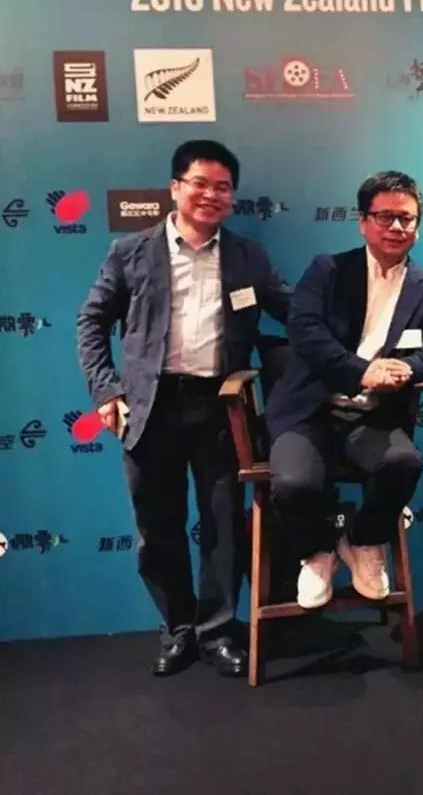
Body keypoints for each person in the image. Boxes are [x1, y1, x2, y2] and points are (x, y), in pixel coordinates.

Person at [76, 140, 291, 677]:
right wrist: (106, 391)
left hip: (221, 408)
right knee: (157, 526)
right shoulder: (130, 251)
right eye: (200, 183)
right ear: (175, 188)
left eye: (223, 187)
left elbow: (292, 312)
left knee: (223, 524)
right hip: (149, 409)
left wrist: (348, 346)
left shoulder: (248, 256)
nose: (211, 195)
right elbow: (91, 322)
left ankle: (218, 631)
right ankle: (177, 628)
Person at [266, 171, 423, 610]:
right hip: (310, 411)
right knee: (293, 484)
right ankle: (317, 552)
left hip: (374, 416)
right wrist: (362, 372)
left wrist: (405, 370)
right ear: (363, 222)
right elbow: (304, 331)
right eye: (384, 217)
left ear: (418, 225)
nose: (396, 227)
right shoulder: (327, 271)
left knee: (403, 464)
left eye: (406, 218)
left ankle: (364, 541)